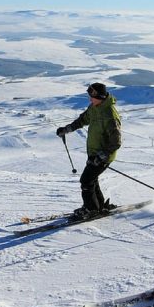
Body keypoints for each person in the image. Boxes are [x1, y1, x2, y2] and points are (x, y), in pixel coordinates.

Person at [56, 83, 121, 220]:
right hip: (93, 153)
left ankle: (90, 209)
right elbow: (82, 120)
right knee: (91, 179)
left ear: (100, 97)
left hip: (104, 155)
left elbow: (115, 142)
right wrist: (66, 130)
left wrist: (101, 156)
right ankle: (99, 205)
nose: (90, 100)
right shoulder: (94, 108)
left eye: (92, 97)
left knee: (86, 180)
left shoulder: (110, 114)